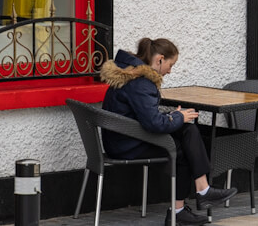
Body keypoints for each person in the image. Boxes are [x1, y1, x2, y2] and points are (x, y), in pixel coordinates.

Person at [101, 38, 237, 225]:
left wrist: (175, 116)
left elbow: (143, 116)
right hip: (126, 144)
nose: (170, 71)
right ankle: (187, 204)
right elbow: (154, 124)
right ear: (160, 59)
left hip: (122, 138)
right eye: (170, 65)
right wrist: (178, 117)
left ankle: (201, 191)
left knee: (188, 130)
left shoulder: (131, 74)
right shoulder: (141, 82)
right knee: (182, 150)